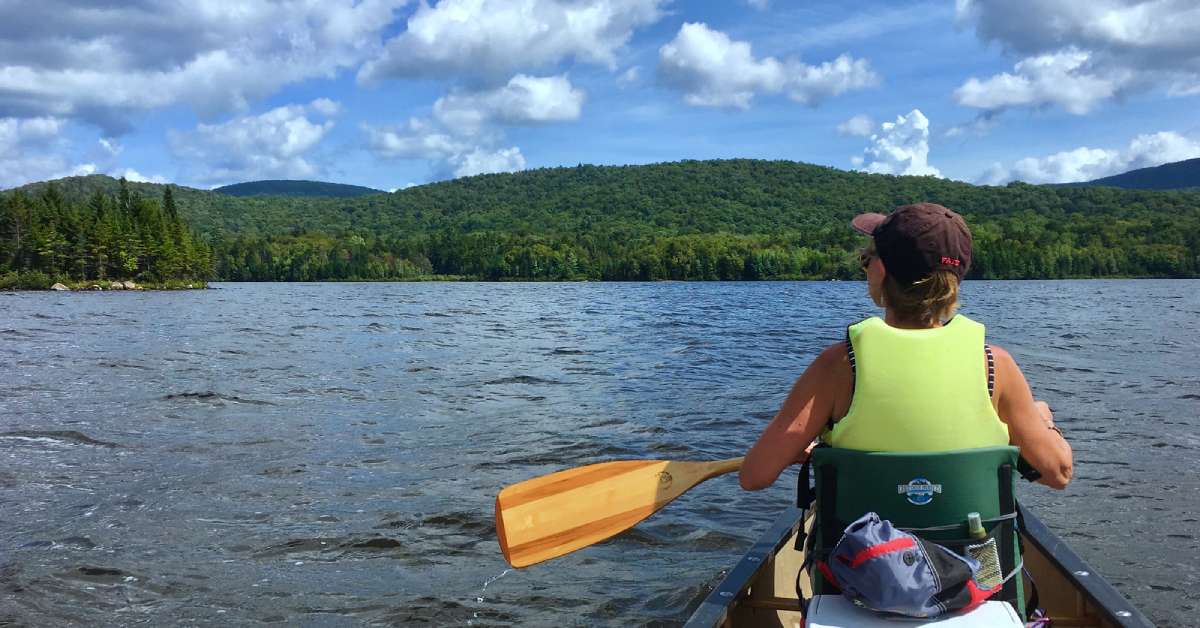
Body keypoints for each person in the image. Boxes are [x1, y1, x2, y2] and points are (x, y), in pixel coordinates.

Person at [739, 202, 1072, 492]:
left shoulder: (839, 364)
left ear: (882, 270)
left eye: (866, 259)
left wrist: (825, 452)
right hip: (972, 563)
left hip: (862, 564)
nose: (865, 266)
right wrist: (1042, 421)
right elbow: (1057, 473)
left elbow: (755, 476)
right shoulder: (995, 365)